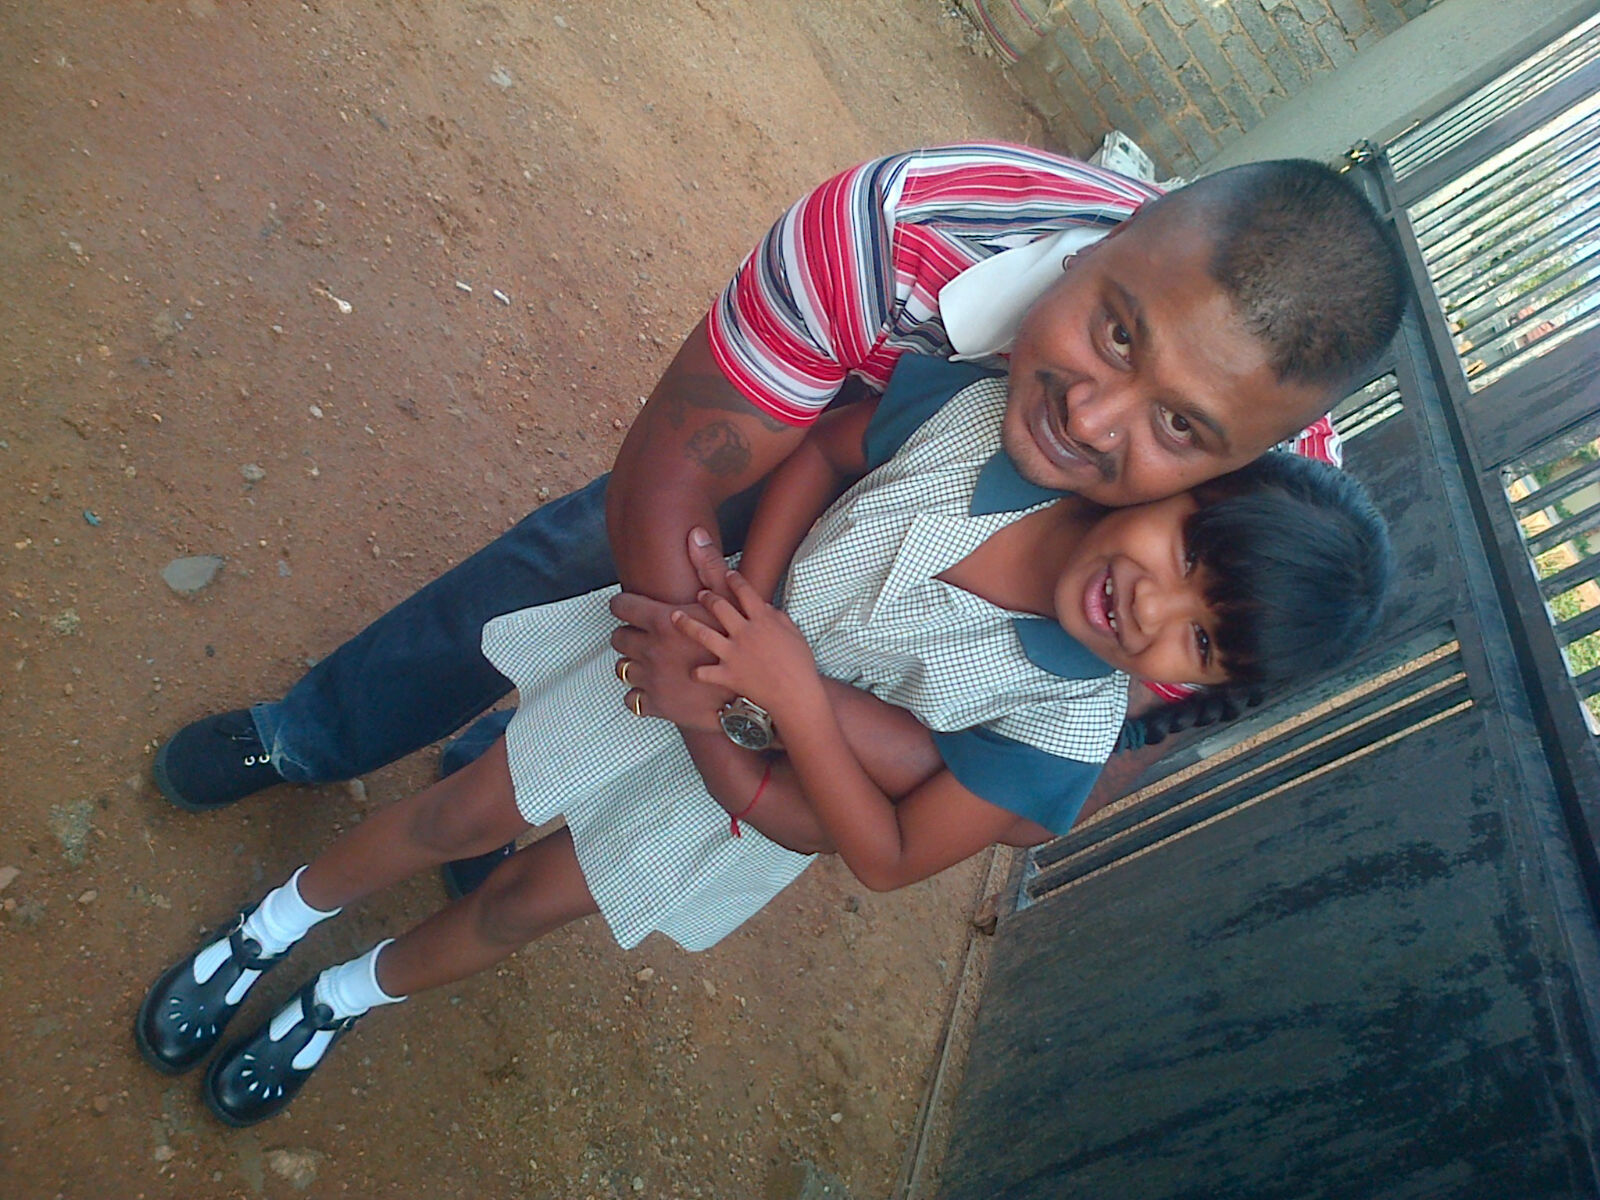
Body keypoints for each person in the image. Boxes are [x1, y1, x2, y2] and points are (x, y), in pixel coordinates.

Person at [135, 354, 1393, 1126]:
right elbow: (829, 451)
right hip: (675, 662)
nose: (1153, 609)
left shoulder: (1065, 725)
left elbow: (885, 851)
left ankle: (342, 997)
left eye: (1200, 641)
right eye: (1189, 554)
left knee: (521, 904)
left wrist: (766, 704)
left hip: (737, 803)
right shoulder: (985, 432)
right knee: (459, 814)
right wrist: (756, 599)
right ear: (1189, 486)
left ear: (1199, 684)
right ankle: (272, 927)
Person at [148, 142, 1406, 895]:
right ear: (1105, 233)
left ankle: (507, 768)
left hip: (947, 620)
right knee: (581, 556)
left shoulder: (1260, 530)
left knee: (630, 752)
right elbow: (669, 484)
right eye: (1114, 331)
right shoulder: (890, 230)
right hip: (813, 440)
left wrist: (783, 715)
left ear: (1241, 467)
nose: (1092, 417)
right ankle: (314, 734)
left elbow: (1058, 771)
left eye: (1179, 428)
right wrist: (730, 661)